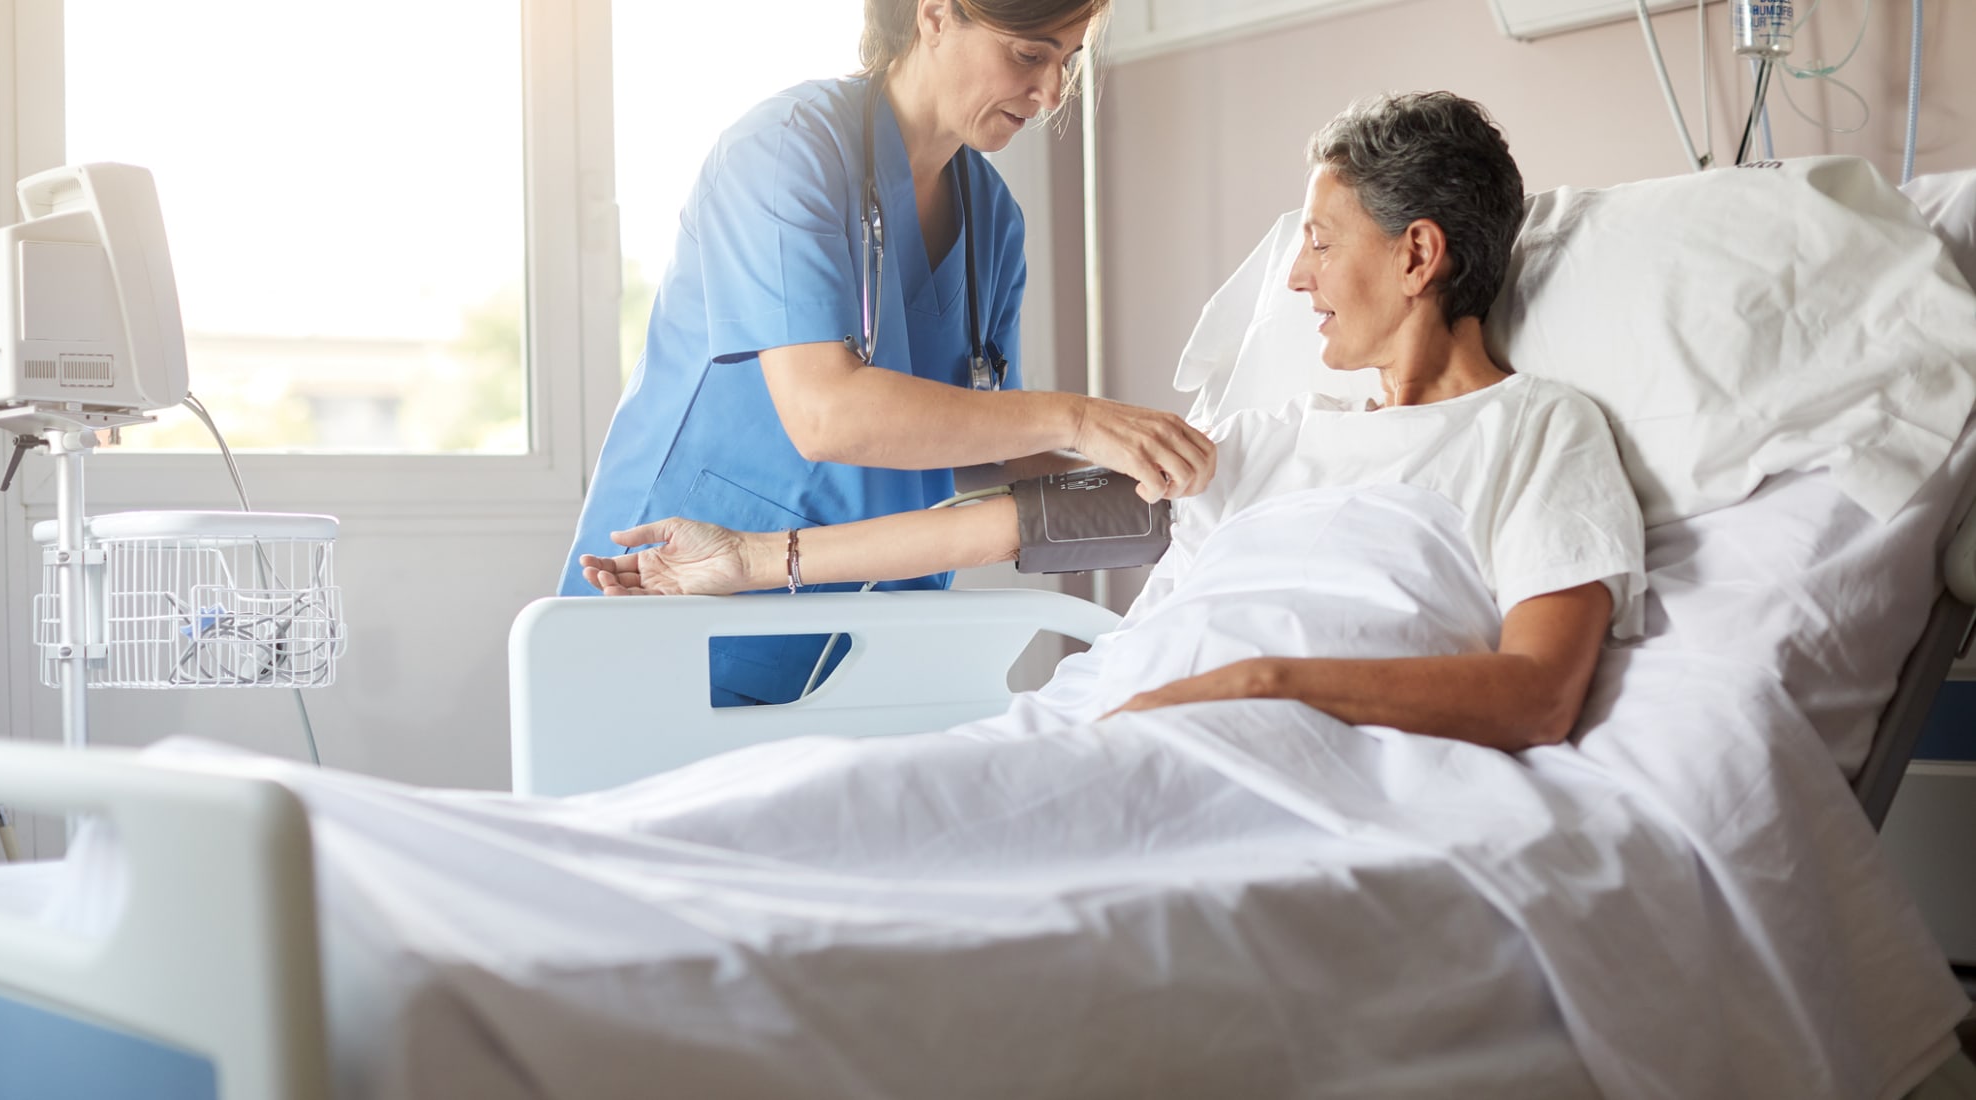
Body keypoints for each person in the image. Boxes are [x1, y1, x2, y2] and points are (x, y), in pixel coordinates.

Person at [577, 91, 1648, 751]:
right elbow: (1016, 522)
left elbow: (1536, 693)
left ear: (1417, 255)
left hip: (1258, 743)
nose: (1295, 274)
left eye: (1321, 240)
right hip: (1111, 724)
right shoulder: (1272, 436)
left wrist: (1256, 685)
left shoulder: (1540, 432)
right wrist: (747, 561)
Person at [561, 0, 1217, 707]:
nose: (1053, 94)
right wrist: (1082, 418)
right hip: (680, 593)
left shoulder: (992, 217)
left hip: (869, 624)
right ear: (934, 15)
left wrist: (1172, 478)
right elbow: (826, 414)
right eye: (1030, 55)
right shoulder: (784, 152)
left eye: (1069, 61)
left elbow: (991, 446)